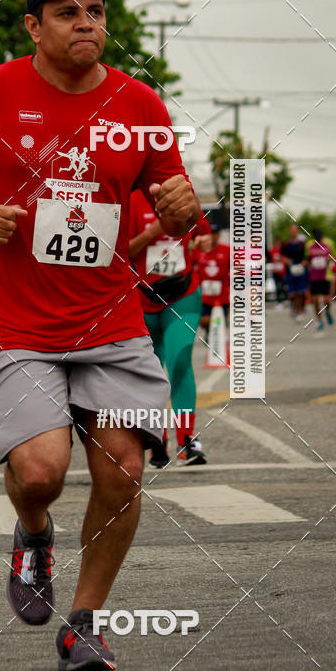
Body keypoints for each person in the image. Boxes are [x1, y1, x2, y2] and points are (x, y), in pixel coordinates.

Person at [0, 0, 200, 671]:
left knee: (124, 467)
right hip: (14, 324)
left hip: (108, 321)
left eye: (96, 11)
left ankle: (85, 621)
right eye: (69, 11)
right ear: (34, 26)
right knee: (41, 471)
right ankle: (33, 531)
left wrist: (182, 204)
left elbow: (176, 193)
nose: (87, 23)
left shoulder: (139, 104)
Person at [129, 189, 209, 467]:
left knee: (180, 363)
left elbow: (203, 233)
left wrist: (203, 240)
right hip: (141, 296)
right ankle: (157, 441)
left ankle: (187, 442)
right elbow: (120, 252)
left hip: (182, 294)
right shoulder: (127, 197)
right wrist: (153, 232)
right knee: (150, 373)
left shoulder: (182, 192)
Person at [196, 226, 231, 332]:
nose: (213, 236)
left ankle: (218, 340)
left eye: (215, 233)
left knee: (220, 320)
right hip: (204, 294)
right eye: (210, 234)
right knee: (204, 320)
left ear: (219, 235)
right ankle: (210, 332)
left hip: (222, 293)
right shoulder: (198, 250)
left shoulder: (227, 250)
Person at [305, 229, 333, 330]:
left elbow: (333, 257)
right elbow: (307, 259)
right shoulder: (310, 247)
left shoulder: (326, 247)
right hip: (314, 277)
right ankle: (319, 320)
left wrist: (329, 260)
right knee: (315, 300)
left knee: (326, 300)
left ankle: (328, 312)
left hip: (325, 276)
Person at [281, 224, 308, 321]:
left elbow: (307, 257)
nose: (293, 232)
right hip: (290, 271)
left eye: (295, 230)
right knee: (292, 293)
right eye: (291, 230)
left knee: (301, 292)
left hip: (301, 270)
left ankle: (300, 310)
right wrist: (288, 262)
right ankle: (294, 307)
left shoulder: (302, 244)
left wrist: (302, 264)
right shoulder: (286, 244)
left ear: (297, 232)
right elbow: (282, 256)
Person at [268, 236, 287, 305]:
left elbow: (285, 258)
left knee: (283, 285)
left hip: (282, 270)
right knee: (277, 286)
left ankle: (284, 297)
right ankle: (279, 300)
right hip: (276, 270)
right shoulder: (272, 250)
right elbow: (270, 259)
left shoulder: (282, 250)